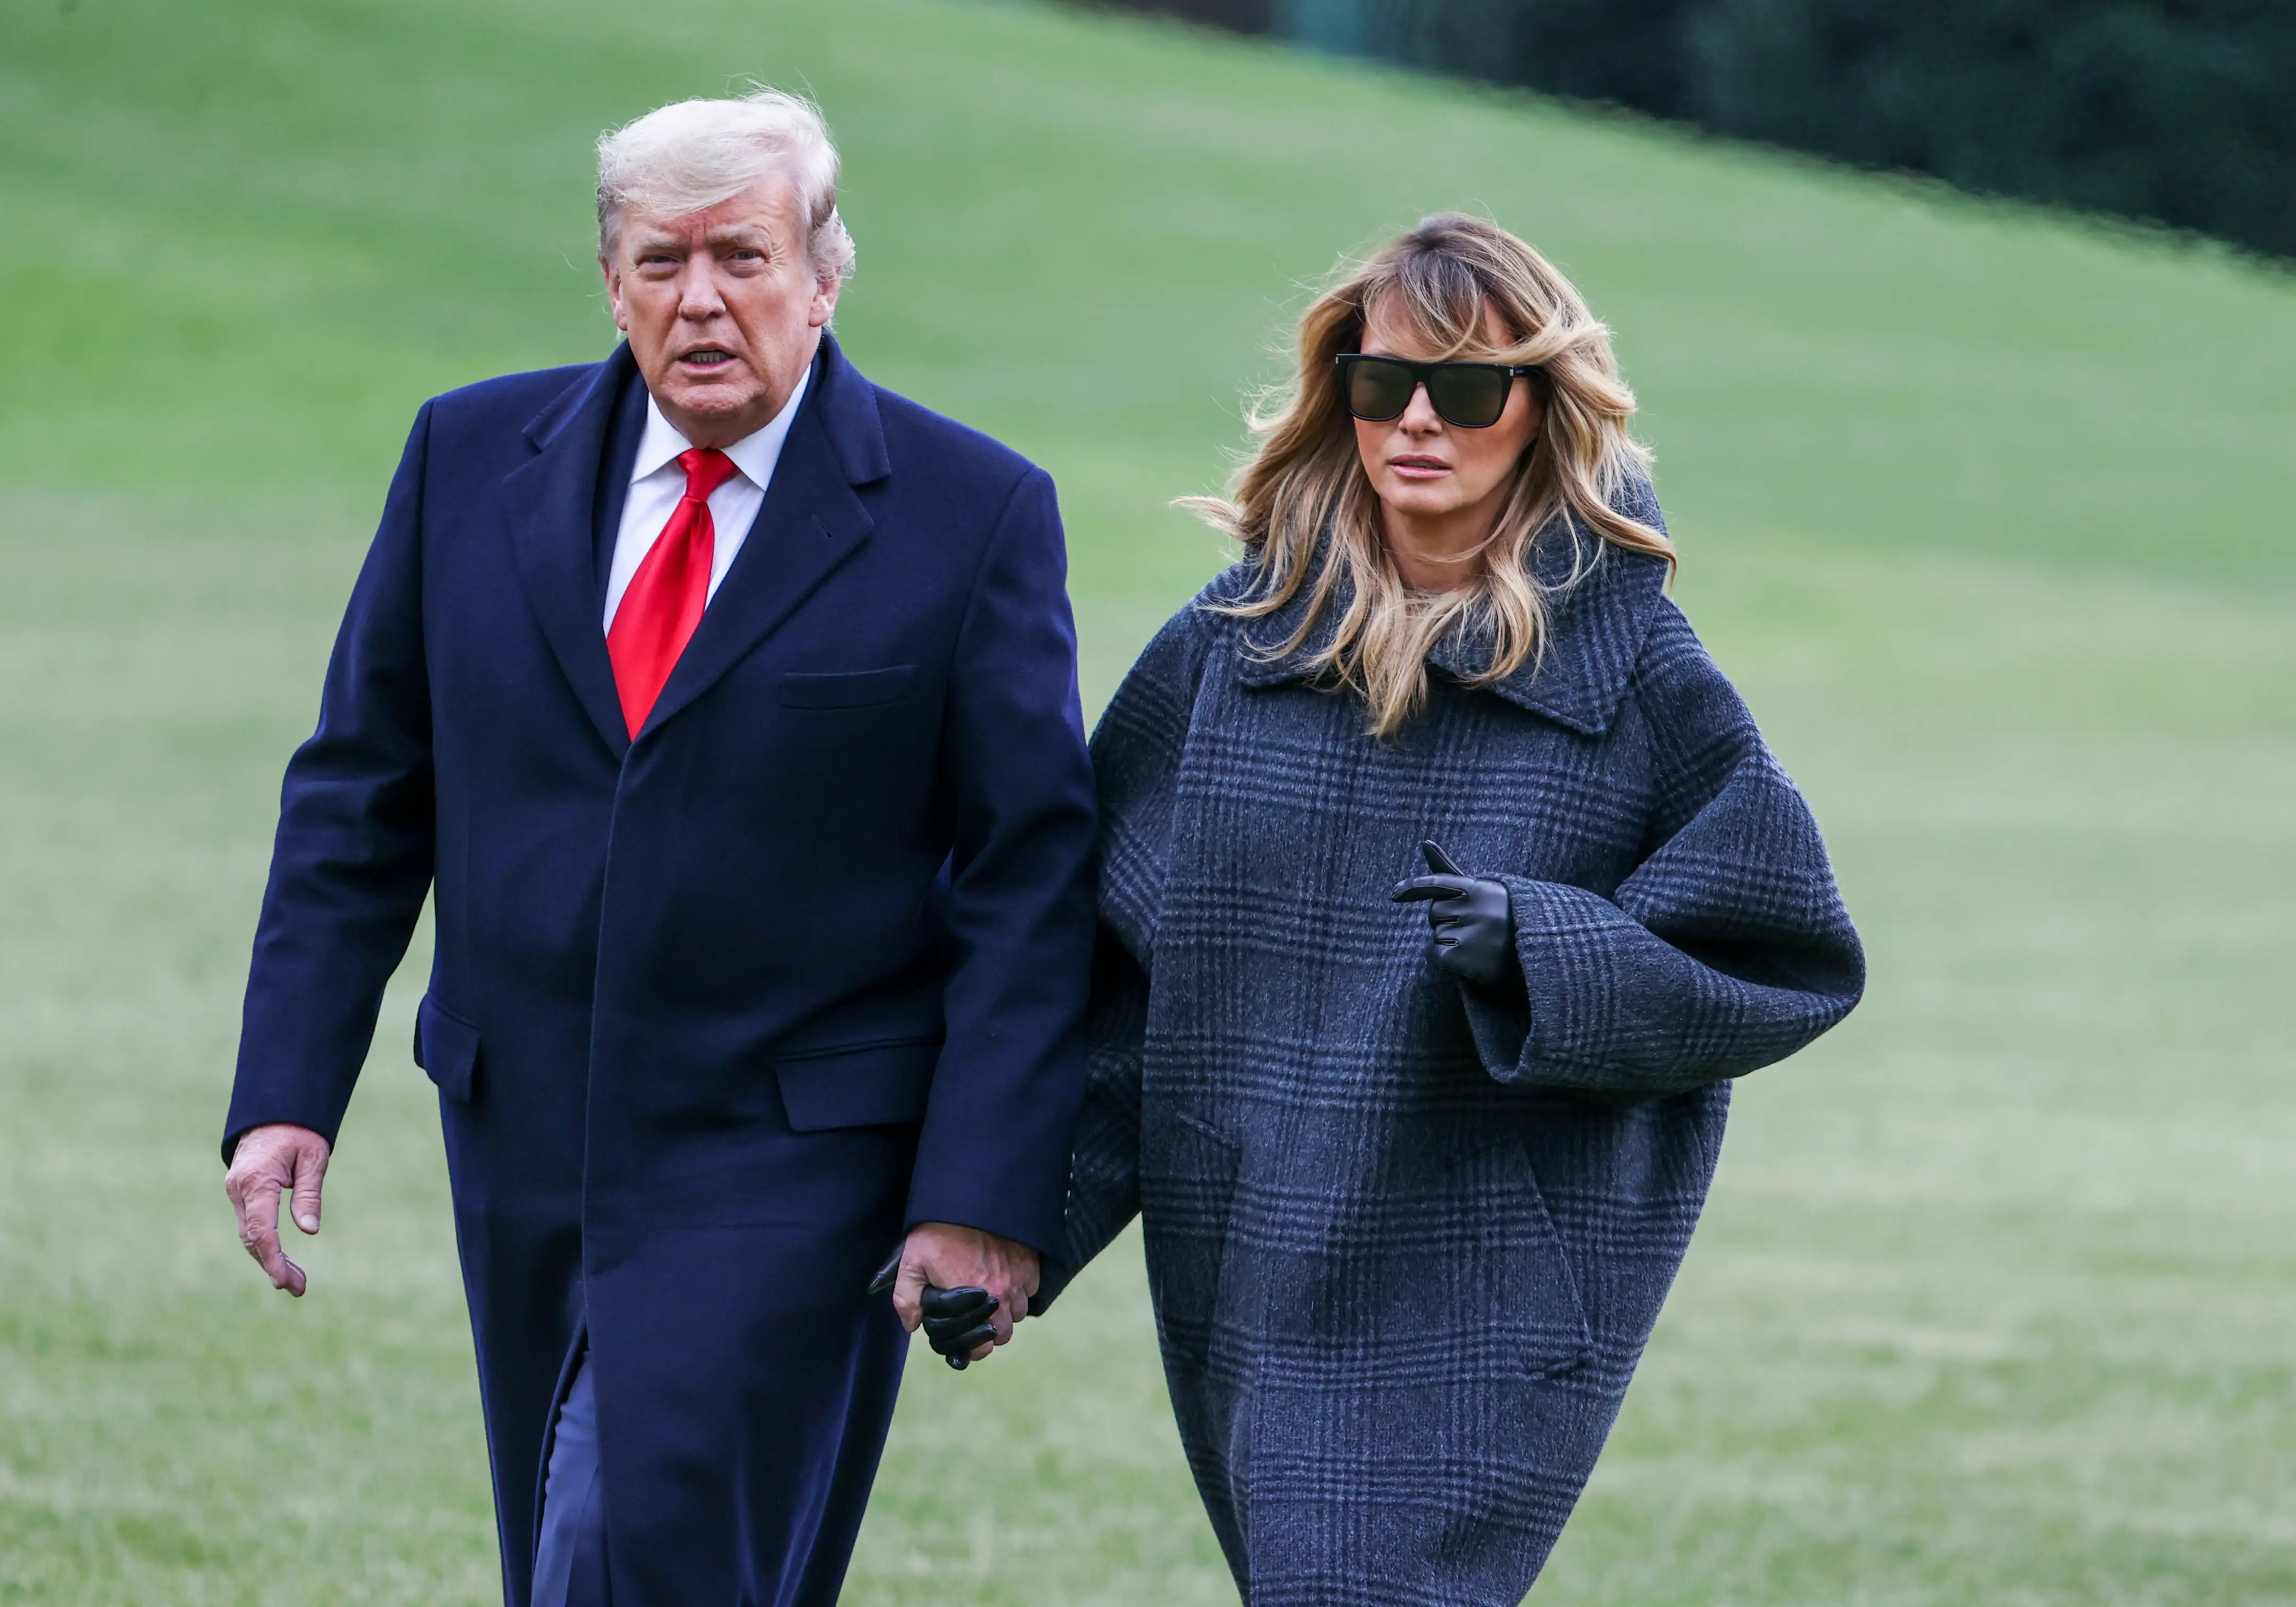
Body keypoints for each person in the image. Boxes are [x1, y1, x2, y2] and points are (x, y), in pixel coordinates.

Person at [218, 90, 1095, 1607]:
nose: (701, 298)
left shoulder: (974, 516)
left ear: (825, 276)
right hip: (523, 1130)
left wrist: (982, 1188)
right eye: (661, 260)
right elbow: (362, 791)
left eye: (743, 257)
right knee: (598, 1537)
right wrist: (288, 1087)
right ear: (612, 283)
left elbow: (1030, 878)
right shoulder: (465, 461)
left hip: (793, 1152)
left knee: (631, 1544)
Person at [1042, 214, 1866, 1604]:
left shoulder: (1637, 666)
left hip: (1488, 1281)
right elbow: (1109, 986)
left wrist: (1542, 950)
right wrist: (1012, 1223)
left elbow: (1785, 955)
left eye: (1468, 386)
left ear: (1543, 409)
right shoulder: (1229, 652)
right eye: (1381, 383)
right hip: (1251, 1257)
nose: (1417, 419)